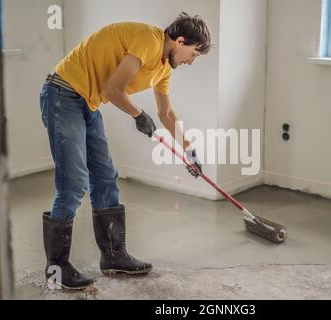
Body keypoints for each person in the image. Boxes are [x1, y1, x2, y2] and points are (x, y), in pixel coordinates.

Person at [39, 12, 212, 289]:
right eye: (193, 54)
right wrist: (138, 114)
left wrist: (189, 151)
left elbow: (166, 112)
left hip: (88, 102)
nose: (191, 61)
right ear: (180, 41)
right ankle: (56, 269)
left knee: (106, 178)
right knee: (73, 183)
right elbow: (113, 88)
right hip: (63, 93)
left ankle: (113, 256)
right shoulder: (149, 39)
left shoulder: (163, 68)